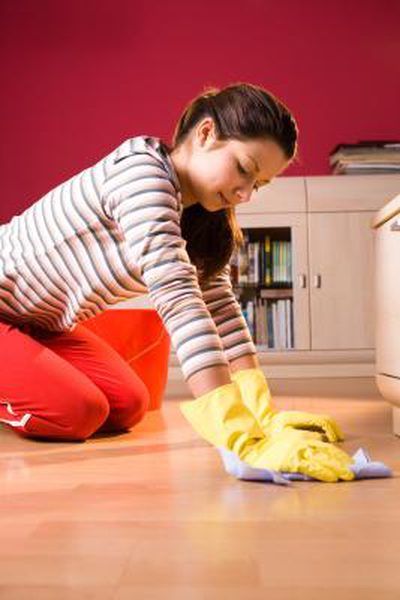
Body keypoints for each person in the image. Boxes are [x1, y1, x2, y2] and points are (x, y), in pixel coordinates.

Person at [0, 81, 297, 443]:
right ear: (206, 133)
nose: (246, 194)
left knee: (128, 405)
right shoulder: (141, 171)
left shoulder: (198, 214)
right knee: (76, 413)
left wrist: (260, 410)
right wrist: (230, 425)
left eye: (259, 185)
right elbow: (176, 293)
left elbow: (218, 303)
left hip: (38, 323)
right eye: (244, 168)